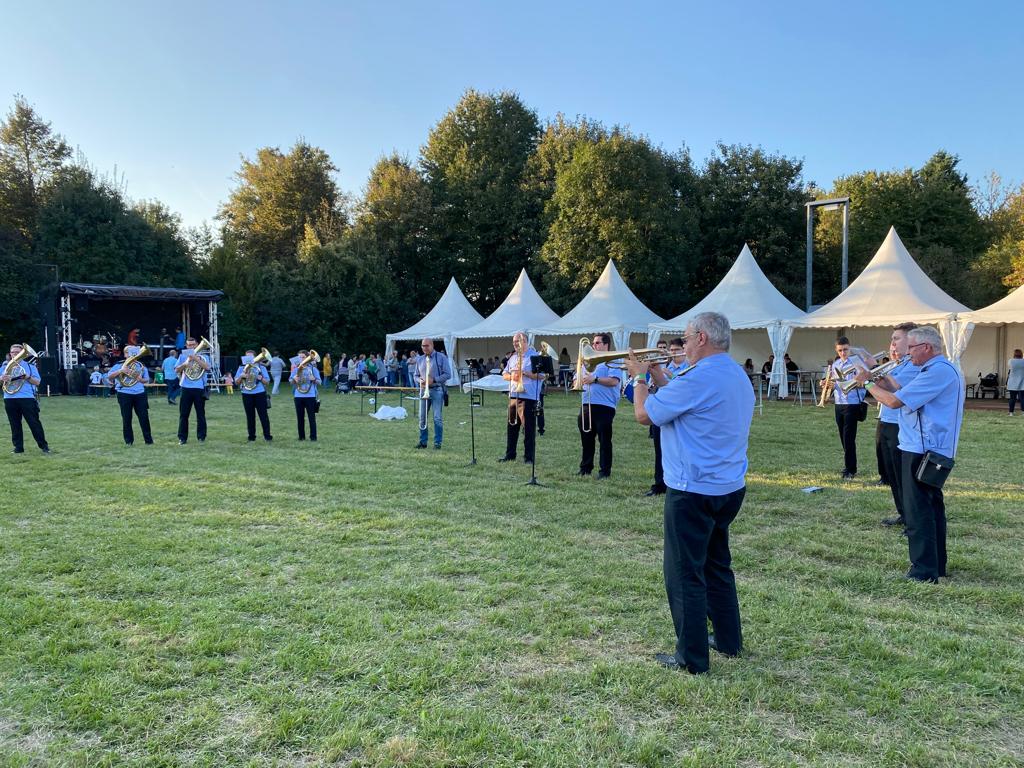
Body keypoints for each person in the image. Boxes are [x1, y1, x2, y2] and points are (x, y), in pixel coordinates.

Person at [625, 312, 753, 674]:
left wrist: (637, 378)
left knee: (684, 573)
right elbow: (684, 397)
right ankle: (729, 640)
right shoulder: (733, 373)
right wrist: (655, 374)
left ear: (700, 338)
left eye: (684, 337)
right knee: (716, 565)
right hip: (727, 486)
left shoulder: (698, 378)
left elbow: (644, 414)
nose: (680, 345)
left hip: (693, 489)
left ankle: (692, 659)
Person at [857, 326, 964, 583]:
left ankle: (923, 571)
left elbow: (894, 402)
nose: (907, 353)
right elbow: (901, 391)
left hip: (923, 449)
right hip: (924, 446)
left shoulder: (938, 371)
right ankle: (936, 565)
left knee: (919, 512)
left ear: (927, 348)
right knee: (931, 508)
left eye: (912, 348)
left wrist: (868, 383)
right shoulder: (936, 370)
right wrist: (883, 380)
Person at [869, 323, 920, 526]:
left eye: (896, 339)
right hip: (887, 420)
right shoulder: (898, 364)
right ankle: (903, 514)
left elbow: (894, 390)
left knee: (902, 475)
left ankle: (912, 518)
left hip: (899, 422)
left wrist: (871, 373)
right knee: (892, 473)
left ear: (910, 340)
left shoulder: (911, 365)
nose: (892, 343)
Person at [576, 333, 624, 478]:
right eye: (593, 343)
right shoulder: (586, 361)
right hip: (586, 403)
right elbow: (576, 378)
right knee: (586, 439)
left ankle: (604, 471)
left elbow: (614, 381)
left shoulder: (612, 360)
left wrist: (594, 379)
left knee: (604, 440)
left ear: (606, 345)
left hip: (605, 406)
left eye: (597, 343)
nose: (593, 345)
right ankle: (585, 467)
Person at [831, 337, 872, 479]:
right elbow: (835, 383)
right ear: (837, 350)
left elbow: (865, 380)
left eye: (846, 349)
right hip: (839, 403)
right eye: (840, 350)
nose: (843, 353)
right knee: (843, 437)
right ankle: (848, 465)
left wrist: (856, 380)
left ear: (850, 348)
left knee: (849, 438)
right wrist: (827, 384)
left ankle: (850, 469)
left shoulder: (857, 362)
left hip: (852, 403)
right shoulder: (836, 364)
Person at [500, 331, 543, 464]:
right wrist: (513, 376)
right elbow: (504, 374)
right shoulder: (513, 357)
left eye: (516, 342)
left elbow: (543, 375)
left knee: (528, 428)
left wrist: (527, 374)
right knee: (512, 426)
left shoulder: (535, 356)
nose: (514, 345)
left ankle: (529, 457)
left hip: (528, 397)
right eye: (513, 342)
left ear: (524, 341)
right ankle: (510, 454)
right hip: (514, 395)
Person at [2, 344, 50, 454]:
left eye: (18, 352)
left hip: (27, 398)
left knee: (34, 423)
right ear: (10, 354)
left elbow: (38, 382)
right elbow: (2, 383)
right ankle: (18, 448)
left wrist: (27, 377)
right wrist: (2, 378)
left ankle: (44, 446)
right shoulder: (4, 367)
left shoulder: (29, 366)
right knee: (14, 424)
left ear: (22, 353)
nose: (15, 354)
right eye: (13, 352)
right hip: (9, 398)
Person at [105, 345, 153, 446]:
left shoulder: (140, 365)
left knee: (144, 417)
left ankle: (148, 441)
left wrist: (140, 379)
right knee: (127, 418)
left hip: (140, 394)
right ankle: (129, 441)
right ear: (125, 354)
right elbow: (109, 377)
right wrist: (121, 371)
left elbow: (146, 380)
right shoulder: (119, 365)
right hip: (124, 393)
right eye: (129, 352)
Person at [413, 338, 451, 449]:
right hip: (423, 390)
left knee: (437, 417)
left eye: (426, 345)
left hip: (437, 390)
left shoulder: (441, 357)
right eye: (422, 346)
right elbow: (415, 375)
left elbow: (448, 374)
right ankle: (423, 442)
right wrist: (420, 381)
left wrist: (434, 380)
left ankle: (437, 443)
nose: (424, 348)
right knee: (422, 417)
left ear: (432, 345)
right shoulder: (419, 359)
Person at [174, 337, 210, 445]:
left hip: (199, 388)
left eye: (193, 345)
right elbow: (176, 370)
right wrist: (185, 364)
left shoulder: (204, 357)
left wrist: (195, 358)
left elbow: (207, 368)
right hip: (186, 387)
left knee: (200, 414)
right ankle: (182, 438)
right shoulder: (182, 356)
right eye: (189, 345)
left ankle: (201, 437)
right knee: (184, 414)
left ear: (197, 344)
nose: (191, 347)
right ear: (186, 346)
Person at [235, 350, 273, 442]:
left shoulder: (261, 367)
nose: (249, 359)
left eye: (251, 357)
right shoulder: (241, 368)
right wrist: (241, 376)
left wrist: (260, 378)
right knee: (250, 416)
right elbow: (236, 382)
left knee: (263, 416)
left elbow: (267, 382)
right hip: (246, 394)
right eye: (247, 357)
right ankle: (251, 437)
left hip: (259, 393)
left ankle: (267, 436)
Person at [290, 350, 321, 441]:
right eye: (300, 357)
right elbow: (290, 382)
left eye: (303, 357)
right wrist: (294, 379)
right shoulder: (296, 369)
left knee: (311, 417)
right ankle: (301, 437)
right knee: (300, 418)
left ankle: (313, 437)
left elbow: (319, 382)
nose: (301, 359)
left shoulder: (313, 369)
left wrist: (314, 379)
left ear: (308, 358)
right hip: (298, 396)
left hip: (310, 396)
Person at [1007, 349, 1024, 415]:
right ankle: (1023, 412)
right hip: (1022, 381)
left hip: (1012, 382)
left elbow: (1010, 368)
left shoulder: (1010, 361)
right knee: (1023, 398)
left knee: (1012, 398)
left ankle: (1011, 412)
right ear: (1021, 354)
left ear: (1014, 354)